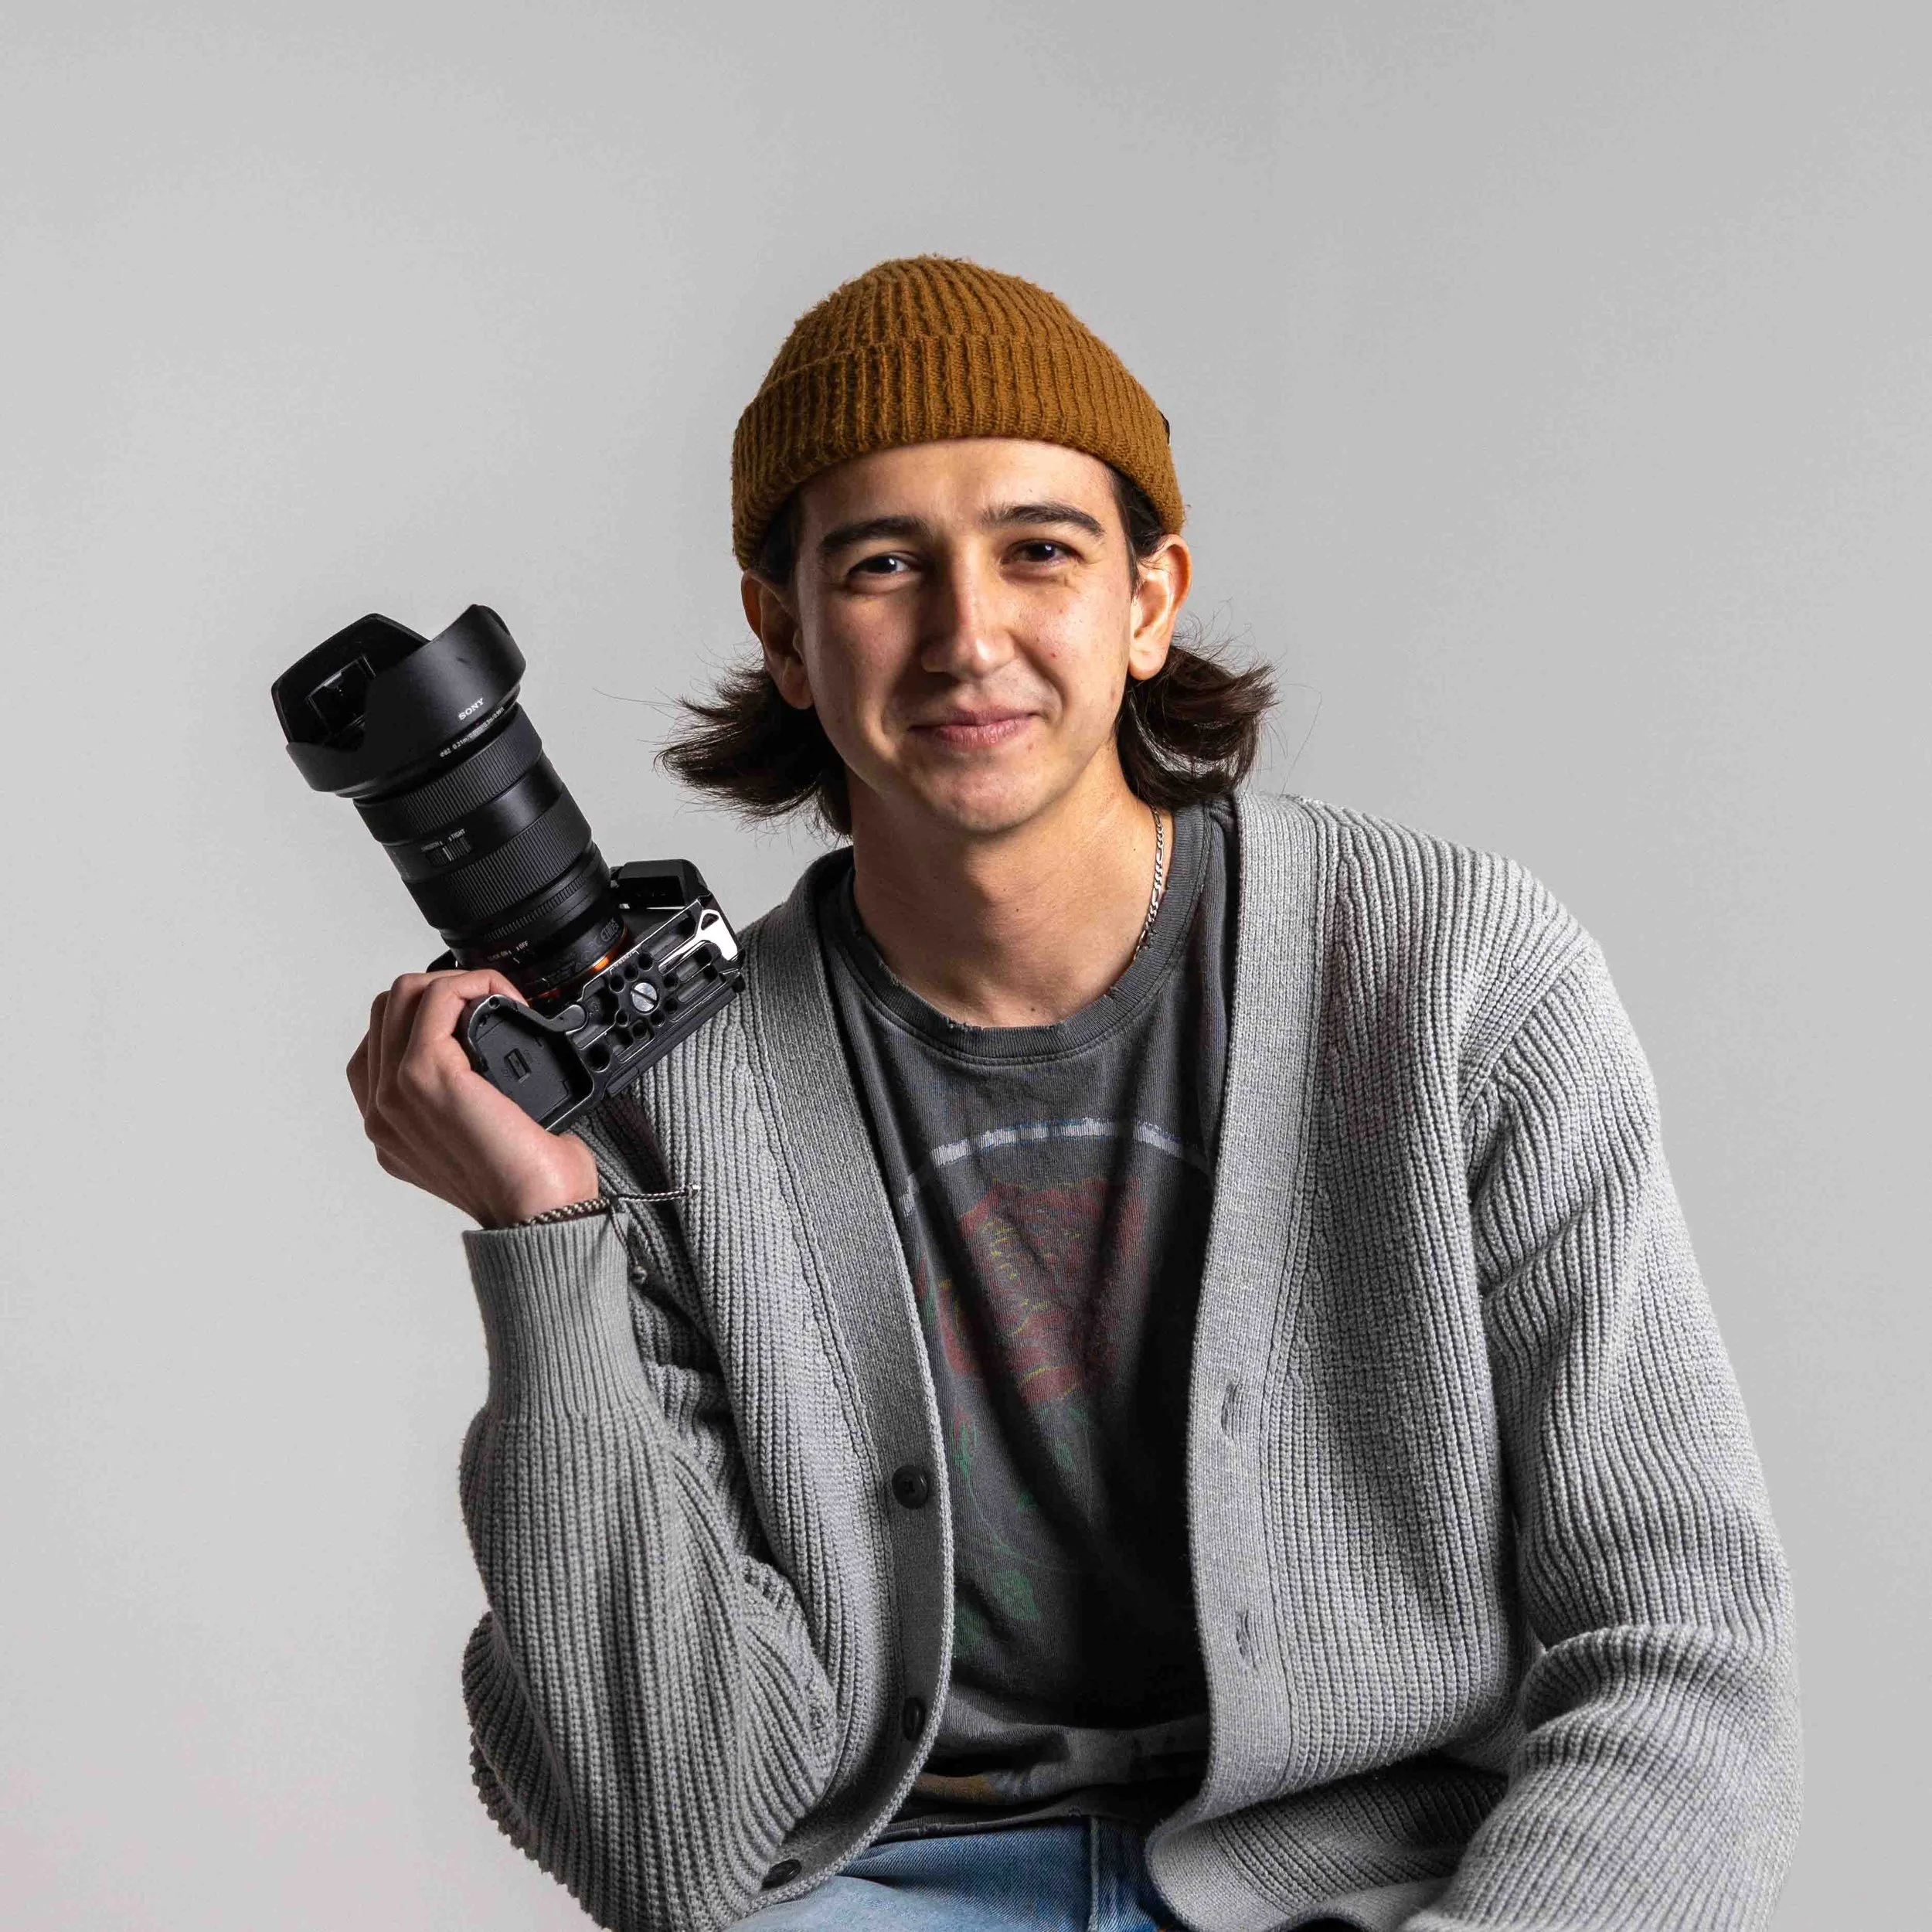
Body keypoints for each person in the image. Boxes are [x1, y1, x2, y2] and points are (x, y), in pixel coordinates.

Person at [346, 257, 1802, 1932]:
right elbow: (668, 1843)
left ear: (1148, 596)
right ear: (787, 634)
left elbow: (1682, 1647)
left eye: (1038, 549)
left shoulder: (1456, 978)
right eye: (883, 564)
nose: (968, 636)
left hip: (1368, 1890)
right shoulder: (678, 1095)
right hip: (875, 1889)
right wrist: (545, 1241)